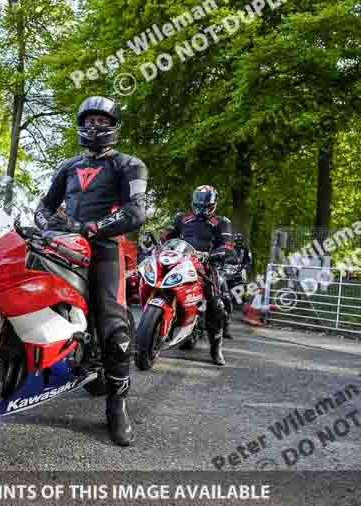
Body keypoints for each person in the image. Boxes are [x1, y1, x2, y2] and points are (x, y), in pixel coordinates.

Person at [35, 95, 148, 447]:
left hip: (103, 250)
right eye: (89, 119)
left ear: (113, 126)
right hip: (61, 245)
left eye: (102, 120)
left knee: (115, 330)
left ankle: (117, 405)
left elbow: (135, 213)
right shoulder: (67, 166)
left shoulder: (130, 165)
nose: (95, 126)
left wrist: (93, 228)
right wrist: (46, 227)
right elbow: (43, 207)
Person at [160, 185, 234, 365]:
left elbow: (227, 244)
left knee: (215, 304)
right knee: (160, 284)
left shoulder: (221, 222)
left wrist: (219, 253)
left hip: (207, 265)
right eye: (198, 205)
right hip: (181, 261)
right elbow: (166, 236)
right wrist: (157, 240)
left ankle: (216, 348)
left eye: (206, 206)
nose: (201, 209)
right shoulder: (181, 218)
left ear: (213, 204)